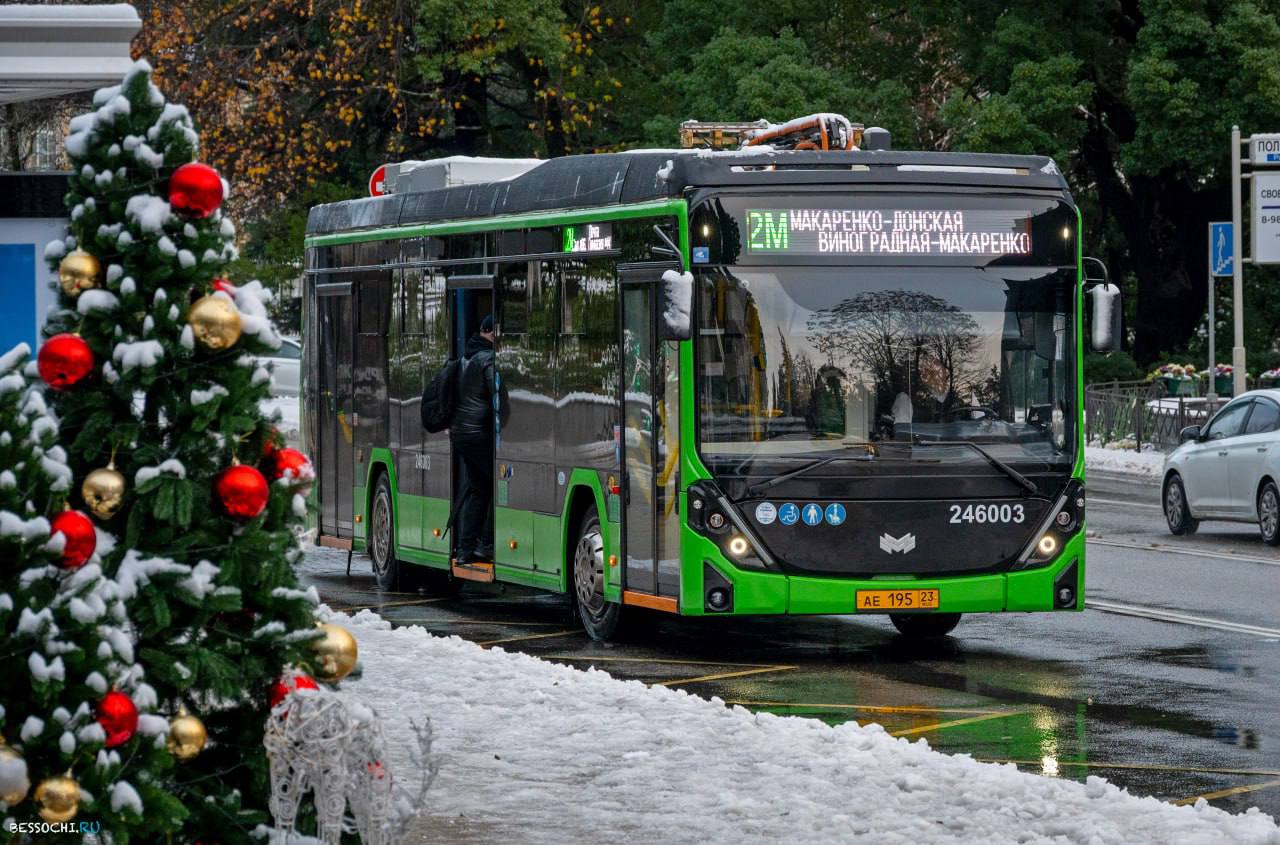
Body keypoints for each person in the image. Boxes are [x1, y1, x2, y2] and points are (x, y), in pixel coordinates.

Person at [451, 315, 496, 564]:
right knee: (498, 486)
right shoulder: (487, 358)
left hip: (463, 434)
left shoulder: (468, 355)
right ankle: (484, 544)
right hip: (479, 434)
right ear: (490, 332)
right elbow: (496, 395)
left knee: (479, 489)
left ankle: (466, 549)